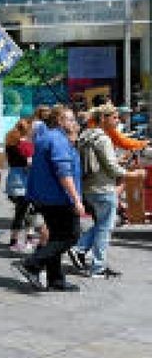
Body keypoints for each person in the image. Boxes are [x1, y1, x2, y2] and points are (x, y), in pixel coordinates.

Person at [15, 106, 84, 292]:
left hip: (45, 197)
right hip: (59, 198)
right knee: (70, 236)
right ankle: (32, 264)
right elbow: (63, 172)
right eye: (70, 119)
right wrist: (76, 199)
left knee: (55, 236)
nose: (74, 122)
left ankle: (56, 278)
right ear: (60, 121)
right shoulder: (58, 140)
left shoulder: (48, 138)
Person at [68, 104, 136, 279]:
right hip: (103, 188)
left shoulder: (85, 136)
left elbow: (98, 162)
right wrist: (130, 173)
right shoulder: (103, 138)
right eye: (114, 117)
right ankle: (97, 266)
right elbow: (111, 168)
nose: (117, 120)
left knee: (102, 225)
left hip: (89, 187)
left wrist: (116, 161)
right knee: (105, 227)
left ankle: (80, 249)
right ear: (103, 118)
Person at [4, 118, 35, 252]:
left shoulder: (10, 144)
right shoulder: (27, 145)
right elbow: (29, 164)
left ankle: (17, 239)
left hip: (12, 179)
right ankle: (21, 241)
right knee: (27, 213)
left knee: (21, 212)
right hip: (25, 181)